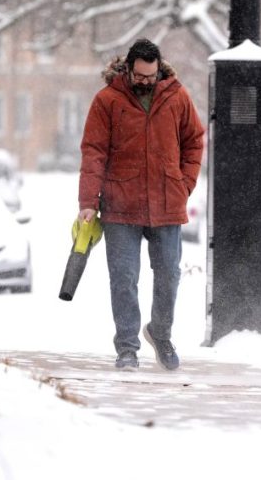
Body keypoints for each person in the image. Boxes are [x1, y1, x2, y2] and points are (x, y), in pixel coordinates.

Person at [78, 38, 205, 371]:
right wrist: (88, 201)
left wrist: (184, 183)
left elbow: (194, 141)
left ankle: (160, 334)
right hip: (121, 205)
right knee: (123, 278)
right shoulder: (107, 101)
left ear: (159, 68)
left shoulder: (177, 96)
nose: (146, 81)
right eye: (140, 75)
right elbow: (93, 152)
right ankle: (127, 348)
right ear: (129, 69)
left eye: (151, 75)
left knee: (168, 275)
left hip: (166, 202)